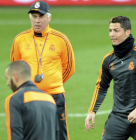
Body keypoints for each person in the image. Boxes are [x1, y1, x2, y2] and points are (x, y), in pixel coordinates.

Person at [10, 1, 75, 140]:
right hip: (29, 96)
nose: (37, 20)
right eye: (34, 16)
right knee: (31, 134)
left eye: (41, 16)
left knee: (60, 135)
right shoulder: (20, 39)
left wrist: (54, 83)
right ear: (30, 18)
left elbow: (69, 68)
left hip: (55, 96)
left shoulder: (61, 39)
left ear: (49, 17)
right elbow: (15, 67)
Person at [85, 16, 136, 140]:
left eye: (116, 30)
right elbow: (101, 86)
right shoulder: (108, 60)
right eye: (110, 30)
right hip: (119, 118)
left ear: (128, 32)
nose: (112, 34)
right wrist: (92, 111)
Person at [5, 60, 59, 140]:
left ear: (15, 77)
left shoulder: (14, 99)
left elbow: (15, 135)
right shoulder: (49, 98)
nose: (7, 83)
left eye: (8, 78)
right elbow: (56, 133)